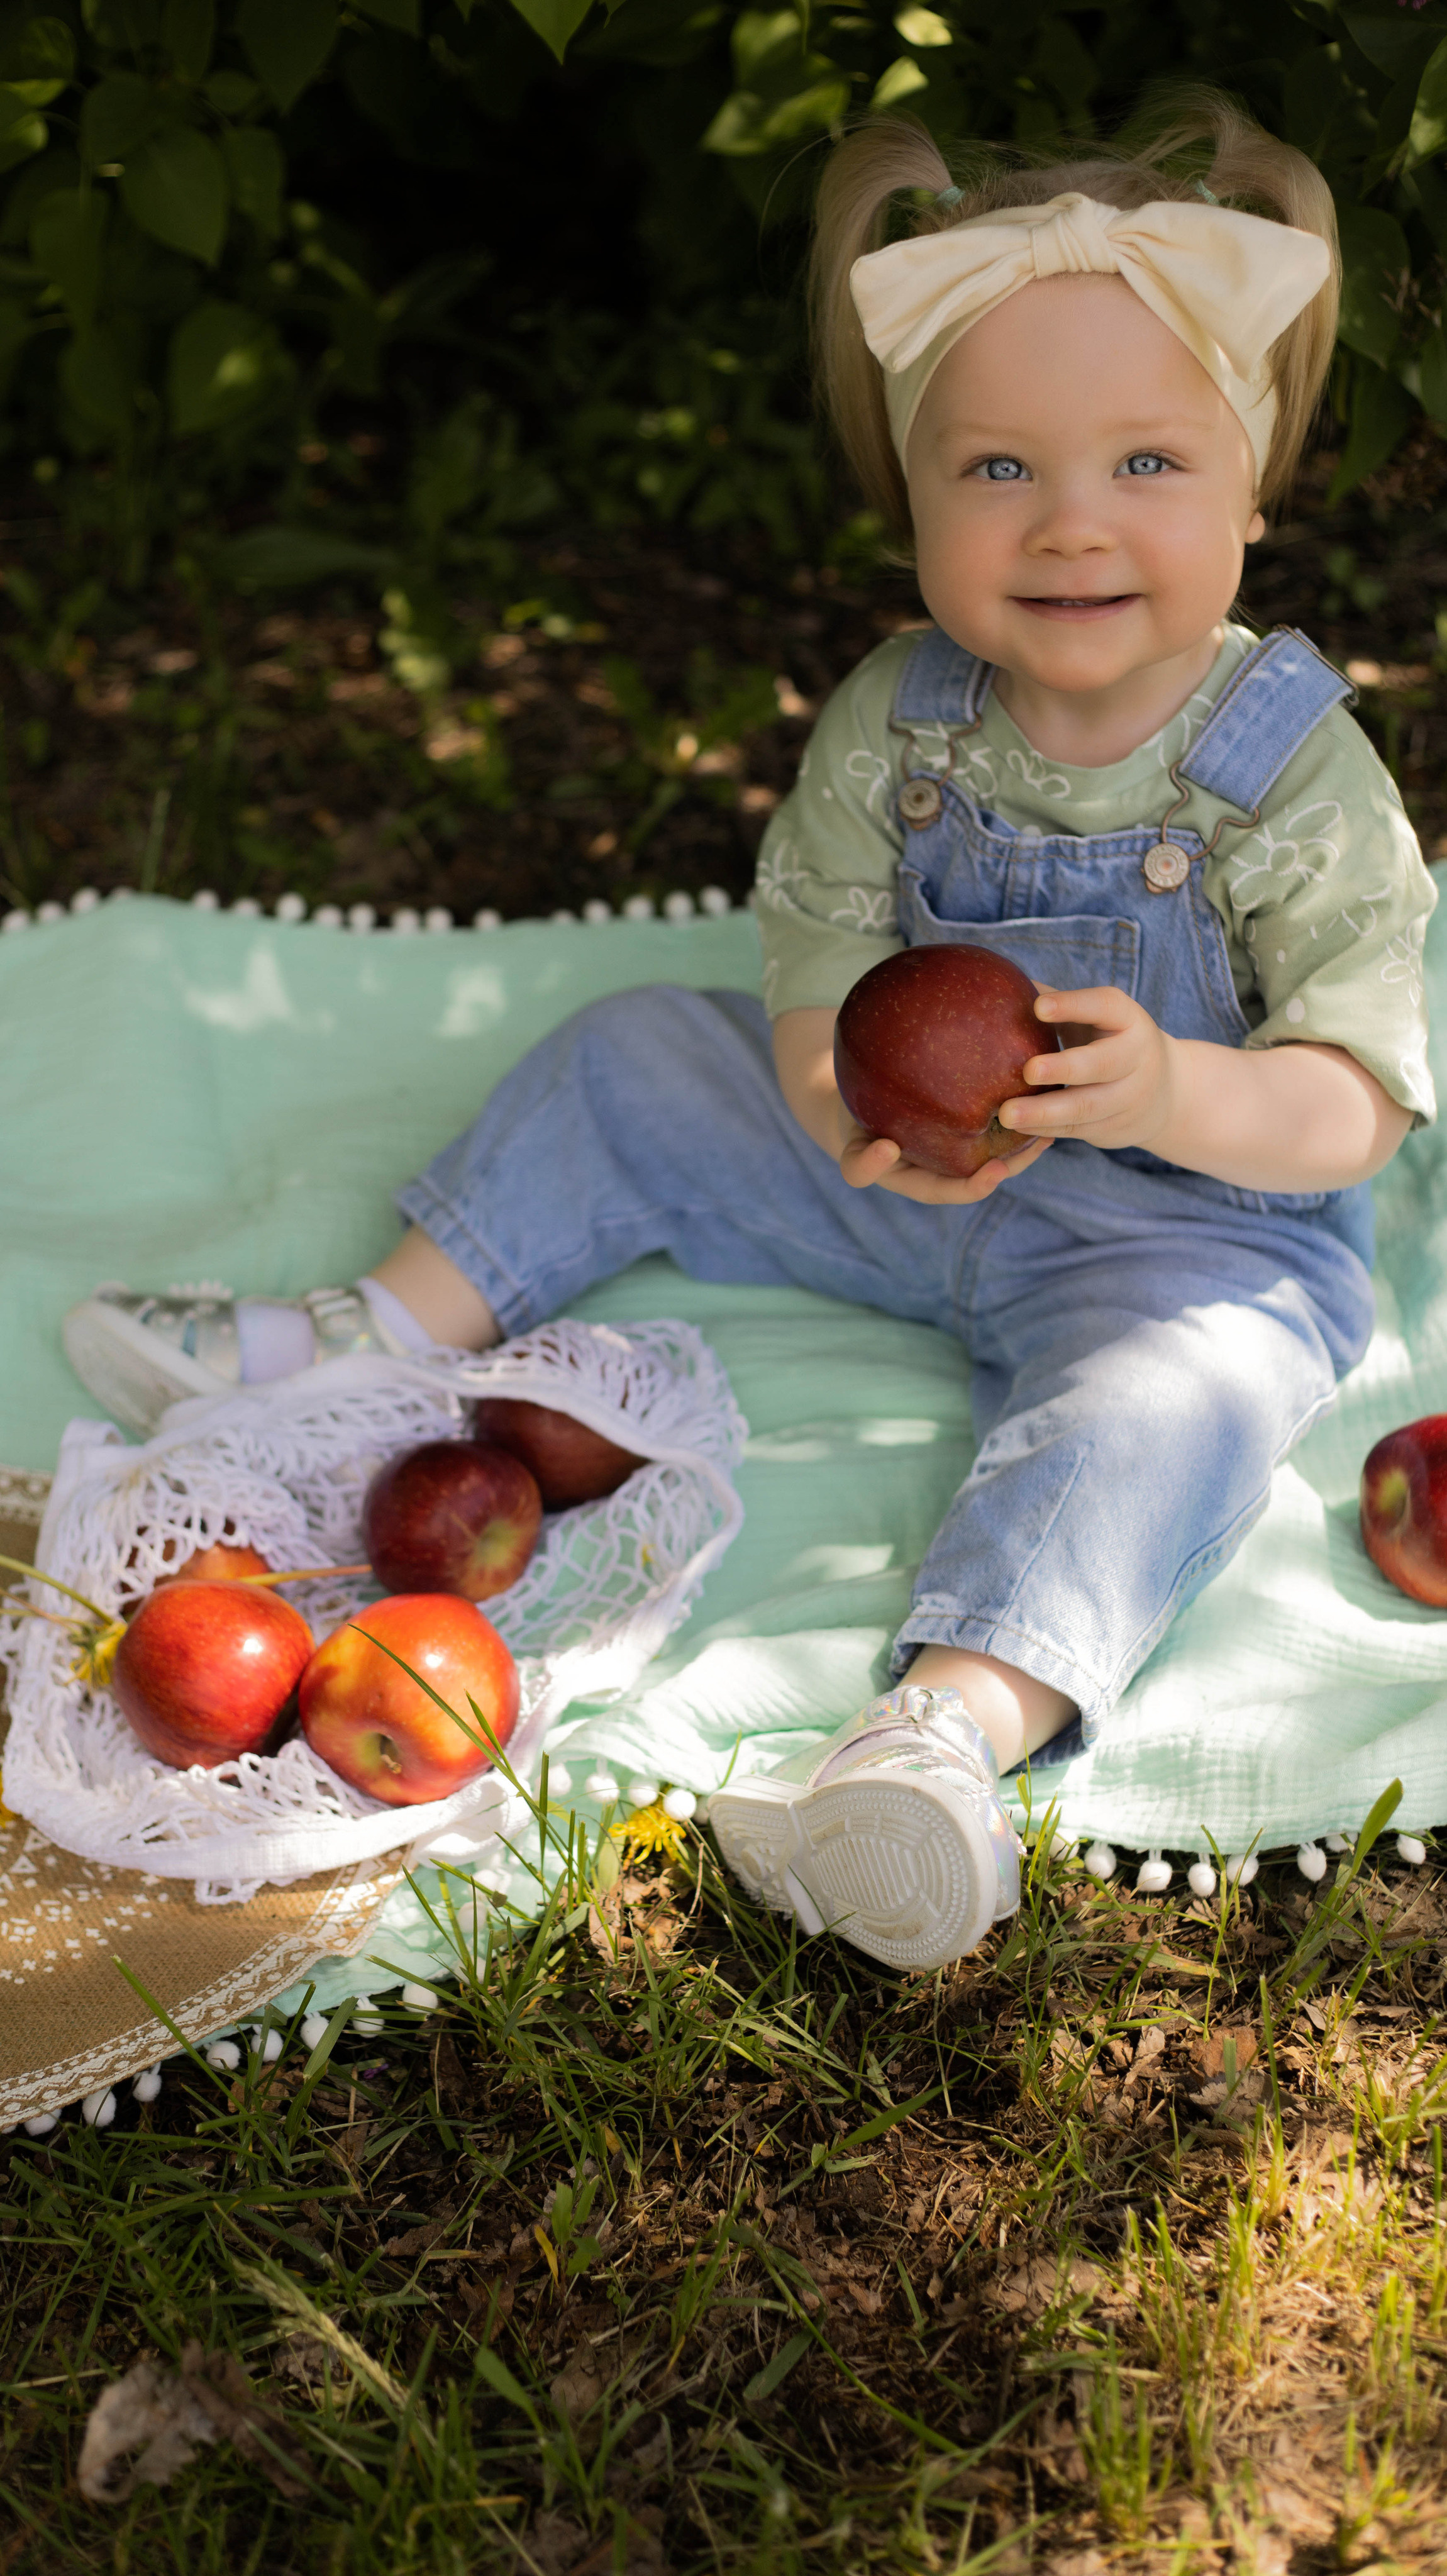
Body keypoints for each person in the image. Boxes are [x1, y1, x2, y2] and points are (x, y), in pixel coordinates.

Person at [64, 97, 1436, 1976]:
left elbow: (1357, 1103)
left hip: (1190, 1226)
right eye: (1000, 470)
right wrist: (818, 1085)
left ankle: (942, 1737)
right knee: (640, 1049)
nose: (1073, 522)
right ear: (915, 500)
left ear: (1253, 493)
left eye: (1146, 459)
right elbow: (818, 939)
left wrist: (1180, 1087)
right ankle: (362, 1340)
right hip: (910, 1174)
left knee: (1160, 1416)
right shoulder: (905, 715)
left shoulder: (1296, 777)